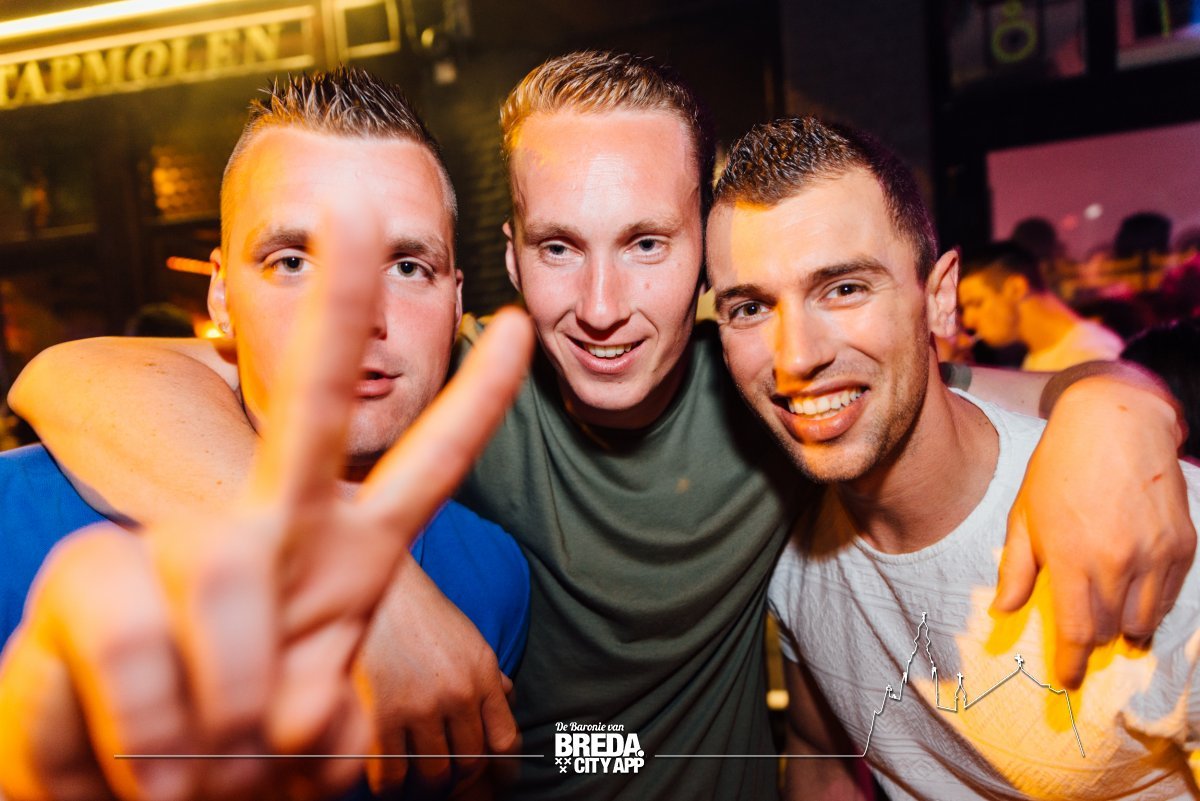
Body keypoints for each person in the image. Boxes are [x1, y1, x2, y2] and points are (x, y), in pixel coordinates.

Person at [8, 52, 1197, 800]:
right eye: (559, 248)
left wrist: (1122, 408)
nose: (603, 306)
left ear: (706, 261)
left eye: (647, 244)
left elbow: (951, 388)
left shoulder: (775, 389)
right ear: (505, 260)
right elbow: (84, 377)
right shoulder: (444, 375)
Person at [0, 67, 532, 800]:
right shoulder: (16, 516)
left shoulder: (496, 575)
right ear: (220, 293)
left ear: (456, 300)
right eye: (292, 261)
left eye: (409, 265)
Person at [707, 116, 1200, 800]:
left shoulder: (1143, 520)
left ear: (940, 299)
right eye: (750, 308)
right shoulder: (794, 557)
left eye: (845, 288)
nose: (796, 357)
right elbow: (821, 756)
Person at [959, 240, 1125, 370]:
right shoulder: (1038, 357)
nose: (968, 321)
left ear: (1016, 288)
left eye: (976, 303)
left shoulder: (1090, 356)